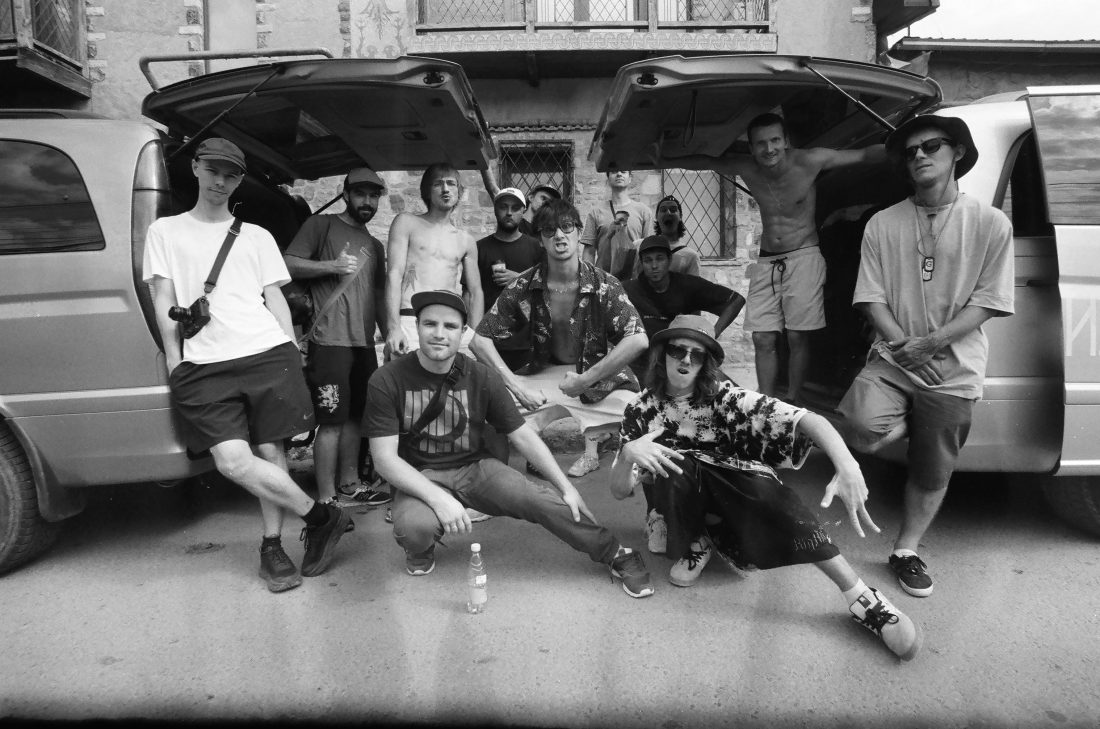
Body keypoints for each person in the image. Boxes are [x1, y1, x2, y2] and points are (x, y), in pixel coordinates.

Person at [609, 315, 920, 660]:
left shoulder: (724, 398)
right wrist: (627, 454)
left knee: (773, 498)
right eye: (677, 350)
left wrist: (847, 464)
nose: (685, 360)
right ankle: (696, 539)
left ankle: (861, 597)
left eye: (696, 355)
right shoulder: (639, 409)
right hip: (676, 499)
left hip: (733, 494)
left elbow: (807, 419)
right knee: (675, 462)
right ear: (662, 354)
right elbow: (619, 491)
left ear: (706, 363)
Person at [143, 138, 351, 593]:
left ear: (239, 181)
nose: (220, 181)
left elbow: (275, 296)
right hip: (204, 362)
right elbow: (163, 298)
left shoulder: (256, 236)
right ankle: (322, 517)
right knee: (233, 462)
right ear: (196, 168)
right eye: (213, 170)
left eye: (230, 175)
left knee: (271, 452)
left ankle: (272, 546)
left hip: (266, 352)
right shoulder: (165, 231)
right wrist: (175, 359)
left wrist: (291, 348)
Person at [364, 290, 655, 598]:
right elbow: (384, 460)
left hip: (475, 469)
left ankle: (614, 552)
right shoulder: (387, 379)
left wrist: (565, 486)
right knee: (414, 529)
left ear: (463, 332)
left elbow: (522, 435)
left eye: (449, 326)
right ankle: (420, 550)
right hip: (420, 475)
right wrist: (438, 499)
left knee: (543, 501)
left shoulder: (481, 376)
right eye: (429, 324)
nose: (439, 334)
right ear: (417, 327)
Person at [838, 114, 1014, 599]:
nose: (918, 155)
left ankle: (905, 550)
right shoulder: (882, 223)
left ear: (958, 152)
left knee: (932, 470)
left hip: (953, 367)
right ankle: (916, 421)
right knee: (859, 426)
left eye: (931, 146)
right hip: (895, 357)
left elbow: (989, 301)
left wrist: (932, 344)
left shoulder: (990, 223)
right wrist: (906, 348)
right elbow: (870, 297)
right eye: (911, 150)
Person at [674, 112, 886, 405]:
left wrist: (901, 148)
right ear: (751, 148)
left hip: (803, 255)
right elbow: (707, 162)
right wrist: (660, 158)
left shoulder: (809, 161)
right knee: (762, 338)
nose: (769, 149)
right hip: (767, 260)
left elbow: (862, 155)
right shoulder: (747, 167)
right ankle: (766, 402)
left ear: (786, 141)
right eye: (761, 143)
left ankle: (792, 401)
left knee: (797, 336)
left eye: (775, 140)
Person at [471, 198, 649, 478]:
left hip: (600, 378)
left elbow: (637, 338)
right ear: (540, 240)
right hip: (545, 374)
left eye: (567, 227)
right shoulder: (525, 284)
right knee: (492, 407)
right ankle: (495, 484)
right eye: (549, 230)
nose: (559, 236)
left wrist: (585, 380)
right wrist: (516, 385)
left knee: (643, 417)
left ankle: (643, 487)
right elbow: (479, 340)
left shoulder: (604, 283)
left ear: (578, 232)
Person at [622, 234, 745, 551]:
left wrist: (710, 335)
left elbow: (735, 299)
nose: (654, 266)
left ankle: (712, 511)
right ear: (641, 263)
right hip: (647, 367)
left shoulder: (687, 285)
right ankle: (656, 515)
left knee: (724, 412)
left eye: (659, 259)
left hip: (686, 362)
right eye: (647, 260)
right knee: (654, 434)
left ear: (669, 260)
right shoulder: (630, 289)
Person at [284, 167, 391, 511]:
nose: (367, 201)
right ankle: (326, 498)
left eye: (373, 195)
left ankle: (350, 485)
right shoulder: (321, 225)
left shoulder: (374, 245)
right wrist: (331, 267)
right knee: (330, 421)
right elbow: (287, 264)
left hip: (363, 344)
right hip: (328, 342)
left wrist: (390, 334)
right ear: (345, 195)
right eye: (360, 194)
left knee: (357, 416)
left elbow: (379, 295)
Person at [383, 162, 485, 360]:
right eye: (438, 184)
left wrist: (475, 334)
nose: (446, 189)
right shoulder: (406, 222)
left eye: (451, 184)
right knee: (409, 377)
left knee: (464, 372)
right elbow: (394, 274)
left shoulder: (465, 240)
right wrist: (394, 327)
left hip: (448, 321)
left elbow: (475, 292)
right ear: (427, 191)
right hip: (410, 317)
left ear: (459, 191)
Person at [475, 187, 543, 372]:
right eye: (504, 207)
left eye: (515, 208)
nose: (509, 212)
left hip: (527, 341)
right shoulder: (480, 248)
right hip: (490, 341)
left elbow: (548, 286)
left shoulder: (536, 247)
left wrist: (519, 278)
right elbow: (471, 293)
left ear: (523, 211)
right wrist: (474, 334)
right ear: (495, 209)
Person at [579, 170, 653, 274]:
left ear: (630, 178)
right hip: (604, 277)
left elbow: (649, 248)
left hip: (634, 277)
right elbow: (589, 252)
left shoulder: (644, 211)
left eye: (623, 171)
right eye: (614, 171)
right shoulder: (595, 212)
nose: (619, 174)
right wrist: (588, 277)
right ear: (608, 178)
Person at [630, 195, 701, 278]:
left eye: (673, 210)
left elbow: (693, 285)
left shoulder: (691, 256)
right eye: (663, 210)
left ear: (680, 216)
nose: (668, 213)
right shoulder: (639, 246)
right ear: (656, 217)